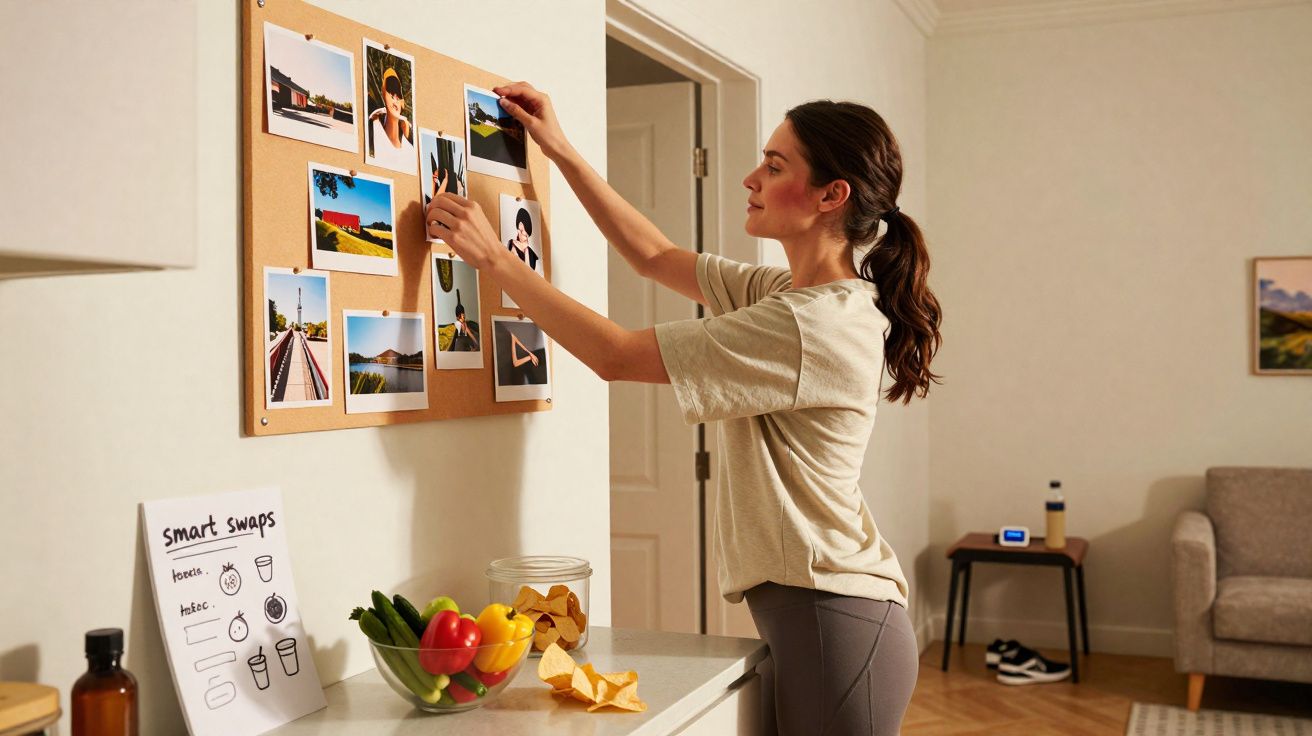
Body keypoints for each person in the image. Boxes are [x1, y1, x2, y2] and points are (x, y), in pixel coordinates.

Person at [426, 81, 941, 736]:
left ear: (830, 195)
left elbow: (615, 355)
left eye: (775, 166)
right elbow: (654, 256)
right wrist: (559, 149)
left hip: (833, 616)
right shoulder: (790, 296)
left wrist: (495, 260)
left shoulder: (811, 323)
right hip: (825, 613)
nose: (751, 178)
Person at [368, 67, 415, 170]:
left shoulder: (411, 149)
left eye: (398, 94)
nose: (395, 98)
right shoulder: (372, 129)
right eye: (390, 91)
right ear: (383, 93)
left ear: (402, 102)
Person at [506, 207, 539, 271]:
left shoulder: (531, 253)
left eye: (526, 235)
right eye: (520, 230)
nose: (523, 233)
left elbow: (529, 272)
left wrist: (526, 250)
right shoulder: (512, 243)